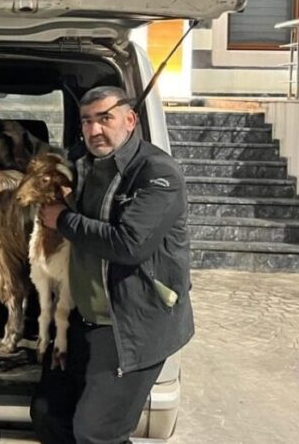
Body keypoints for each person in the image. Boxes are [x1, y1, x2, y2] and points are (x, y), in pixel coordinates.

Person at [30, 86, 195, 444]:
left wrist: (62, 220)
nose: (94, 130)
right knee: (49, 414)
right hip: (83, 319)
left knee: (97, 432)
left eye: (105, 118)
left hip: (131, 324)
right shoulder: (84, 165)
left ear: (130, 119)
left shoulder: (157, 173)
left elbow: (129, 244)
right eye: (87, 121)